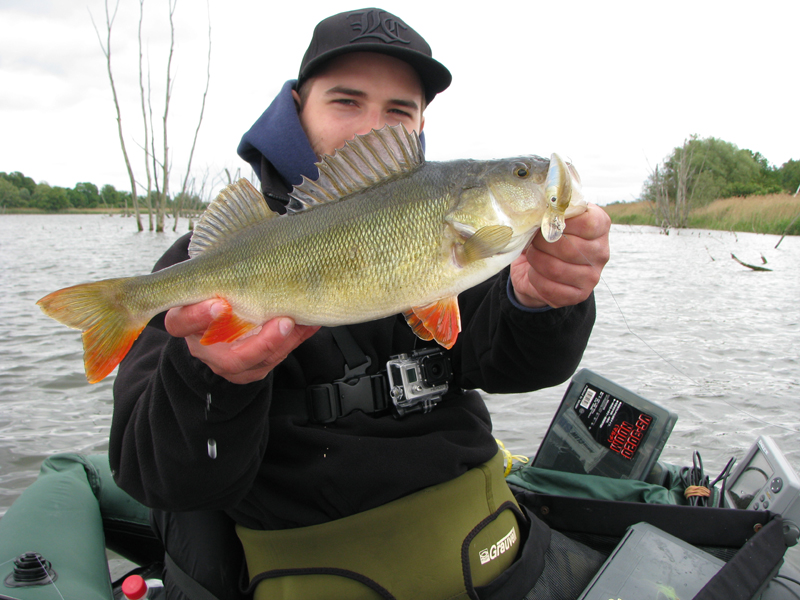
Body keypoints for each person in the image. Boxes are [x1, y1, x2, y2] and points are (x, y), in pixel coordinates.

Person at [109, 7, 611, 600]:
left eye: (400, 110)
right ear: (297, 107)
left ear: (422, 123)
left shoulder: (466, 243)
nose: (373, 129)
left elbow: (514, 366)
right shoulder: (201, 268)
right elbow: (151, 472)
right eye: (346, 101)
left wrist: (546, 301)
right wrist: (209, 375)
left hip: (489, 548)